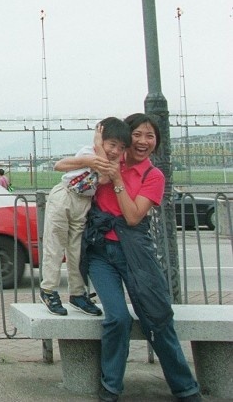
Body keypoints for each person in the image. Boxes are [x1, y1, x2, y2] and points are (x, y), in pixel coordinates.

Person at [81, 113, 200, 402]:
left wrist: (117, 179)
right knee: (117, 318)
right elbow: (81, 160)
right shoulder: (110, 159)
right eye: (137, 134)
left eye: (150, 136)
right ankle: (111, 388)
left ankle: (185, 388)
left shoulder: (153, 176)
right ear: (126, 137)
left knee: (157, 317)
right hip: (101, 253)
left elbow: (133, 216)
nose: (143, 141)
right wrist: (98, 140)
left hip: (136, 252)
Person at [43, 117, 130, 316]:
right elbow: (59, 165)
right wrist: (88, 158)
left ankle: (77, 294)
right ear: (101, 139)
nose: (115, 151)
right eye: (112, 144)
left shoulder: (111, 163)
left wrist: (100, 147)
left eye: (121, 147)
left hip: (83, 203)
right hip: (65, 195)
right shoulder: (87, 152)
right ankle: (48, 290)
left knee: (77, 251)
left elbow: (104, 177)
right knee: (55, 245)